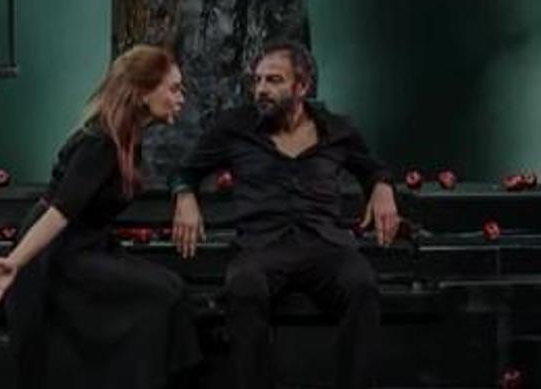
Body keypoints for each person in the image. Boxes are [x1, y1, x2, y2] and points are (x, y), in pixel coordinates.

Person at [169, 40, 401, 389]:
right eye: (258, 80)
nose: (261, 89)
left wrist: (382, 186)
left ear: (302, 86)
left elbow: (373, 168)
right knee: (242, 286)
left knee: (362, 285)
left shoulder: (338, 130)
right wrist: (185, 196)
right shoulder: (235, 127)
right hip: (261, 248)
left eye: (274, 80)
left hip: (326, 246)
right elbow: (184, 171)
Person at [0, 44, 203, 389]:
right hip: (57, 256)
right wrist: (15, 262)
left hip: (86, 246)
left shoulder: (128, 137)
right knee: (162, 294)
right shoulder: (101, 142)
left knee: (171, 289)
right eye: (174, 89)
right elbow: (59, 213)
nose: (181, 98)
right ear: (142, 93)